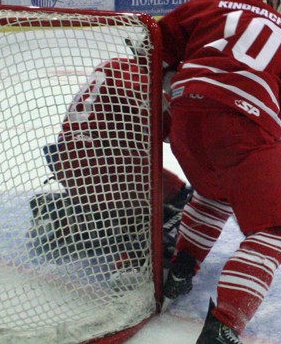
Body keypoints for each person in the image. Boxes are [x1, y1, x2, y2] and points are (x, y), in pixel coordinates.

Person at [159, 0, 281, 343]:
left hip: (184, 118)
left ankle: (181, 268)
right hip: (243, 126)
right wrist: (267, 148)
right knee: (272, 234)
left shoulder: (206, 7)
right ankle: (224, 326)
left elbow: (154, 47)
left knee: (213, 194)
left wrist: (174, 97)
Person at [31, 53, 192, 266]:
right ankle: (133, 259)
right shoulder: (142, 82)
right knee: (185, 199)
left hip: (66, 161)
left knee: (130, 192)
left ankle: (64, 214)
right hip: (104, 165)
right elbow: (180, 133)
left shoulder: (115, 66)